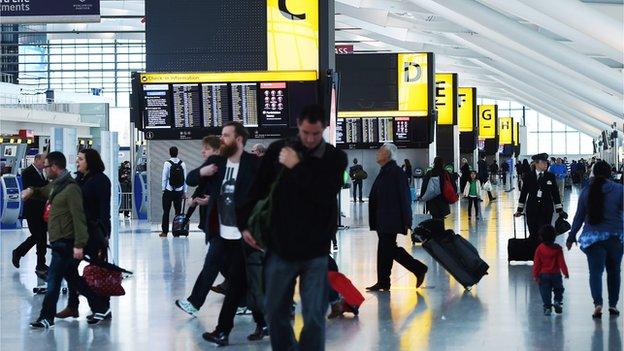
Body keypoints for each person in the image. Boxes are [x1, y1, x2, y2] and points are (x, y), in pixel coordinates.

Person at [239, 104, 347, 351]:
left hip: (315, 250)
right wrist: (245, 224)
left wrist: (297, 166)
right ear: (298, 125)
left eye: (316, 134)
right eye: (306, 132)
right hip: (280, 247)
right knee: (275, 313)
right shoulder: (278, 150)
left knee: (314, 317)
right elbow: (256, 189)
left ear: (324, 130)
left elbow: (324, 194)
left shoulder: (334, 158)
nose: (310, 139)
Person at [190, 122, 266, 346]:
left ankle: (224, 331)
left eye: (226, 135)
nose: (221, 139)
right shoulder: (216, 162)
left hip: (245, 235)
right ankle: (260, 323)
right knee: (239, 283)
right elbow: (191, 179)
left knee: (238, 283)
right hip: (222, 235)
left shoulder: (254, 164)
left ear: (239, 139)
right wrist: (202, 171)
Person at [22, 152, 107, 329]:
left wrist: (79, 245)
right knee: (74, 279)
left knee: (53, 281)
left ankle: (46, 317)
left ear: (54, 167)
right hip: (58, 241)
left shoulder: (71, 188)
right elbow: (43, 191)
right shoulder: (56, 186)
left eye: (46, 166)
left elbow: (79, 218)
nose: (44, 170)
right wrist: (31, 191)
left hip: (66, 242)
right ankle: (100, 306)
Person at [56, 148, 112, 323]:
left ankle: (102, 307)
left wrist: (105, 234)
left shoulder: (101, 180)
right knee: (69, 268)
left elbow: (104, 209)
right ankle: (75, 306)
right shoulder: (79, 179)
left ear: (90, 161)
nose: (77, 162)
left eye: (80, 159)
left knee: (98, 271)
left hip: (95, 234)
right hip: (79, 232)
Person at [367, 143, 428, 291]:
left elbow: (404, 197)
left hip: (390, 218)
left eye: (380, 150)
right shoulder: (385, 171)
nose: (377, 152)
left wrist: (408, 220)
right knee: (385, 249)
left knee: (387, 248)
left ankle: (418, 268)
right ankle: (383, 281)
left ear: (387, 155)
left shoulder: (396, 172)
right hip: (383, 218)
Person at [566, 161, 623, 319]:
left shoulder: (586, 191)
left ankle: (598, 304)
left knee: (595, 273)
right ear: (609, 173)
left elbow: (578, 217)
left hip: (593, 239)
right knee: (614, 272)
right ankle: (613, 305)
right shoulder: (620, 190)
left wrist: (571, 237)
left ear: (593, 173)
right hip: (615, 237)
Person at [515, 153, 565, 240]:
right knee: (533, 234)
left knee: (545, 235)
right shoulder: (528, 176)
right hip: (532, 210)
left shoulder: (550, 176)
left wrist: (560, 210)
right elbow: (523, 194)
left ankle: (543, 252)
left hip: (546, 210)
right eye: (543, 162)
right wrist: (519, 210)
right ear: (536, 163)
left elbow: (555, 194)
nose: (546, 164)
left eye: (547, 162)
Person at [13, 153, 48, 273]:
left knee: (41, 237)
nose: (45, 164)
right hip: (33, 211)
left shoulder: (43, 173)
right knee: (38, 236)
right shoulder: (28, 172)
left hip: (42, 211)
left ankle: (41, 264)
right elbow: (32, 190)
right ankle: (18, 252)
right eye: (43, 162)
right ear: (37, 160)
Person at [184, 135, 220, 230]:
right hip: (209, 221)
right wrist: (192, 199)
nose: (202, 151)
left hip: (221, 221)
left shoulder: (225, 167)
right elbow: (194, 183)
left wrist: (213, 200)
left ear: (217, 151)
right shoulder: (209, 166)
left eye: (207, 149)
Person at [533, 225, 569, 316]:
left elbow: (537, 263)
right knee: (559, 289)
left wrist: (535, 275)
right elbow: (561, 262)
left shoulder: (539, 249)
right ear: (554, 236)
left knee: (545, 291)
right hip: (556, 274)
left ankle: (547, 307)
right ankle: (557, 301)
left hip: (544, 275)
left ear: (541, 237)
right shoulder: (558, 249)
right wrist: (565, 272)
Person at [160, 146, 187, 237]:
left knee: (166, 211)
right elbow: (185, 179)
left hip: (169, 190)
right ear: (177, 153)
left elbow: (164, 177)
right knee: (178, 212)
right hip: (179, 192)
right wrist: (184, 191)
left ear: (170, 153)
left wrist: (163, 189)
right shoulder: (182, 163)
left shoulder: (167, 163)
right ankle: (177, 232)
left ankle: (164, 232)